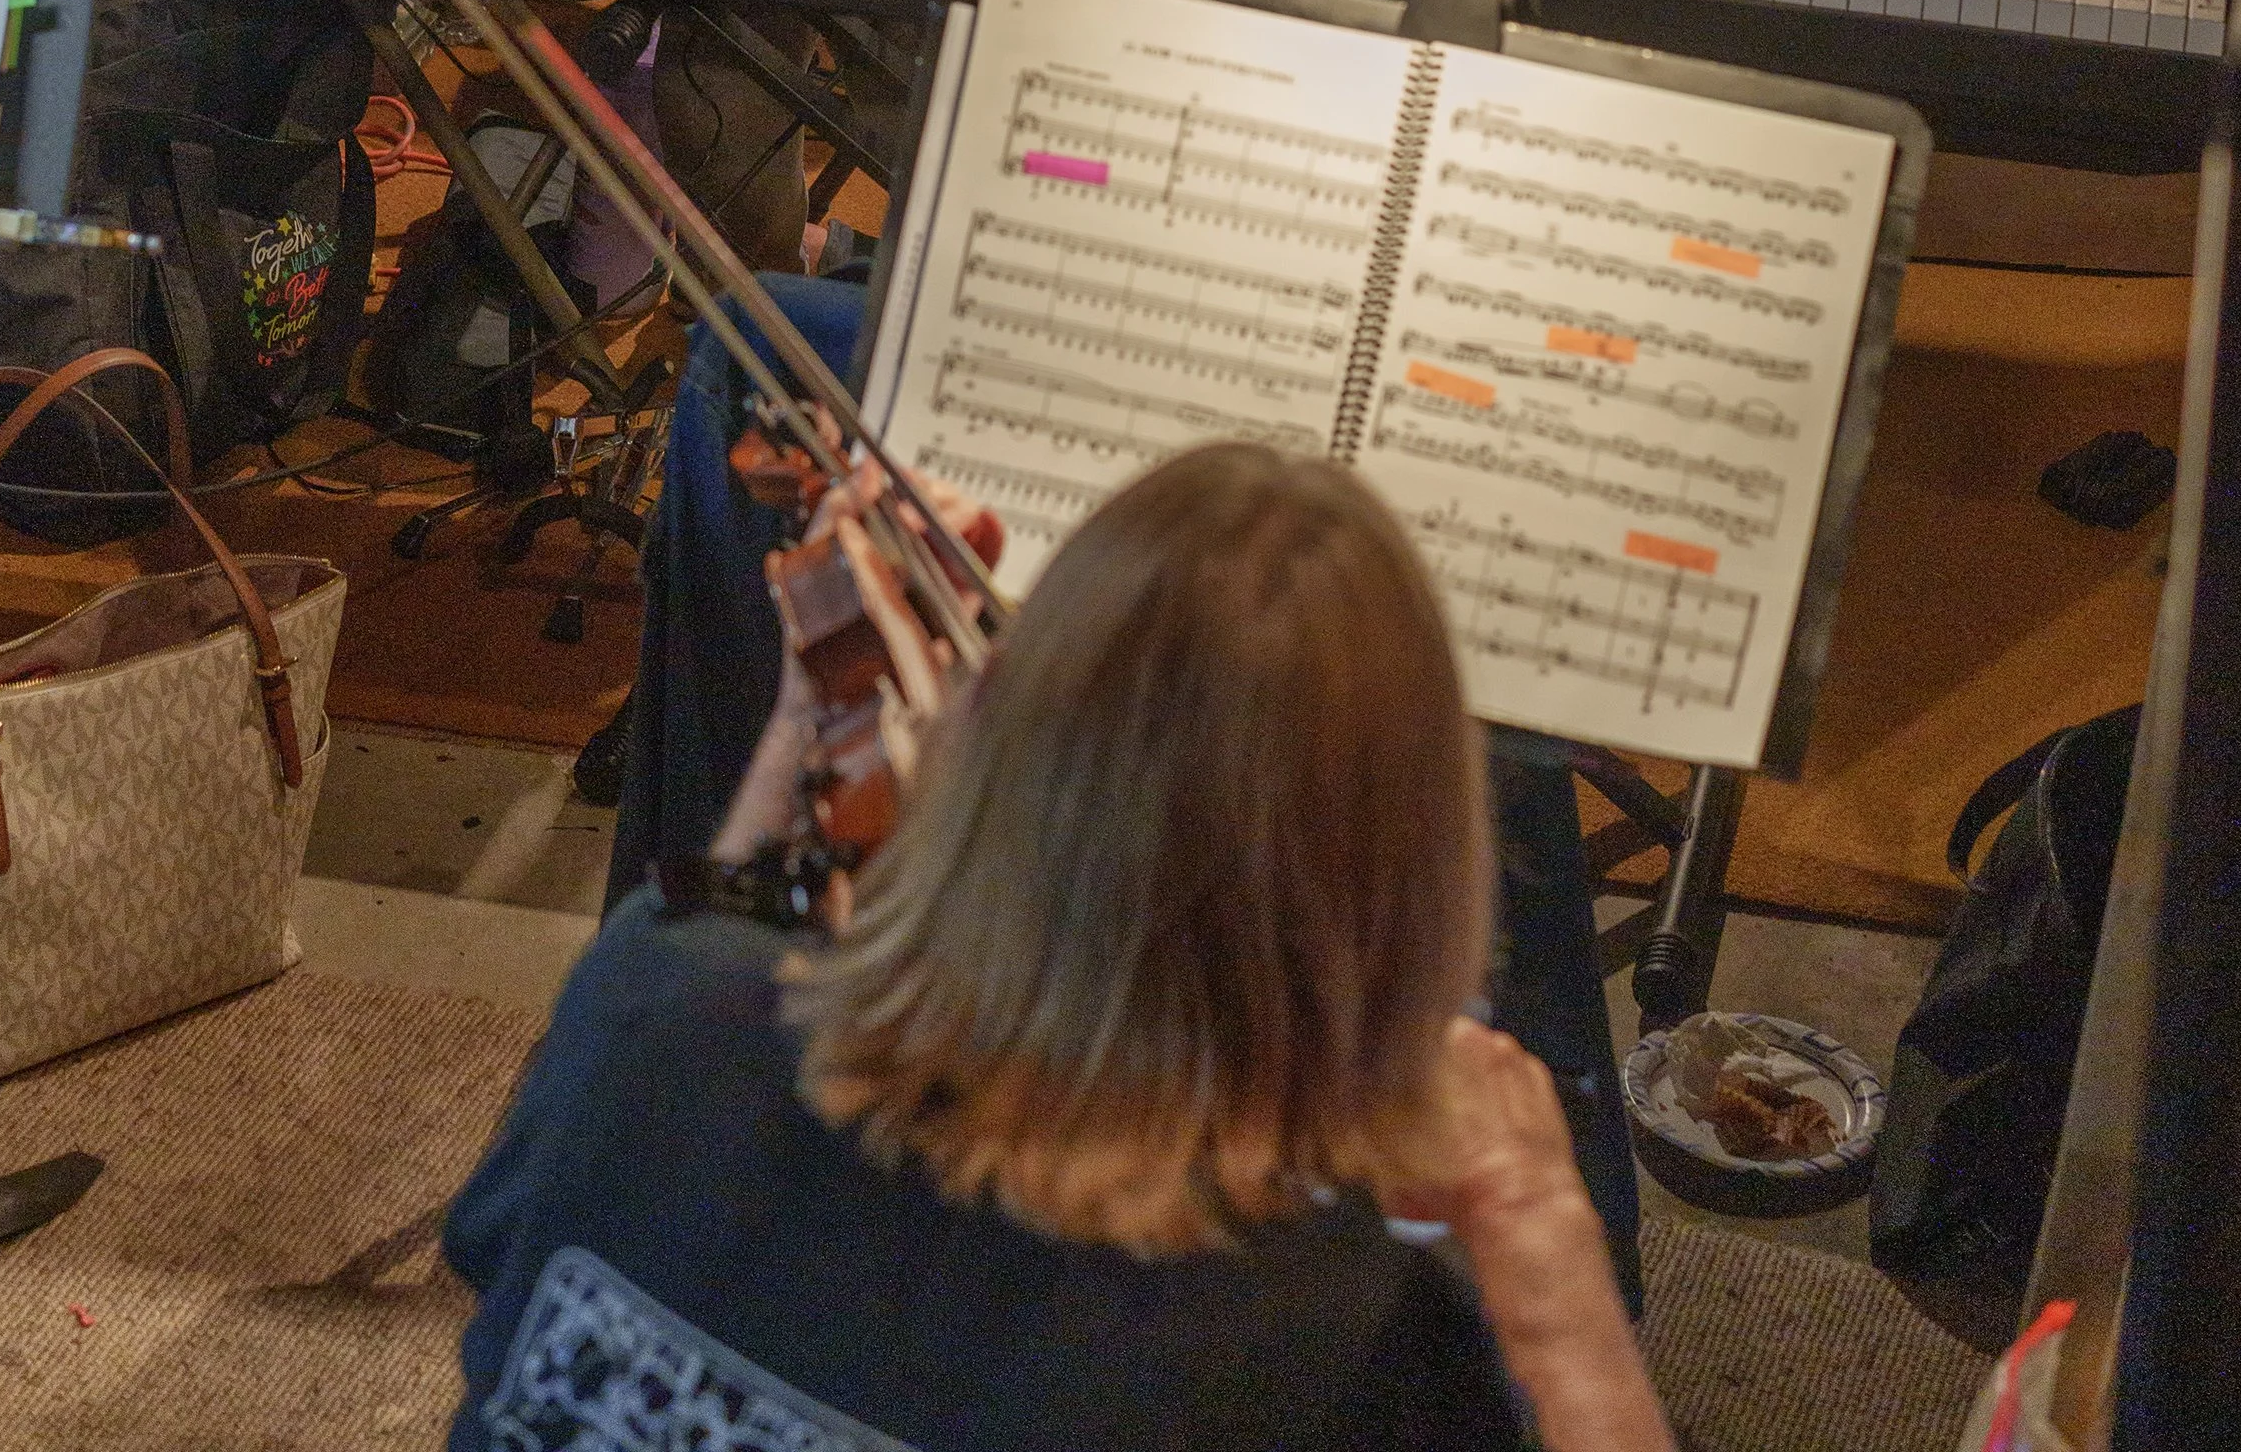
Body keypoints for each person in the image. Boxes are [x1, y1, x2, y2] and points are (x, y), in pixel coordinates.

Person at [449, 439, 1671, 1452]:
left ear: (991, 745)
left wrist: (811, 723)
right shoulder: (1345, 1345)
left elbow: (496, 1242)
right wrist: (1544, 1249)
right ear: (1415, 892)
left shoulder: (655, 1002)